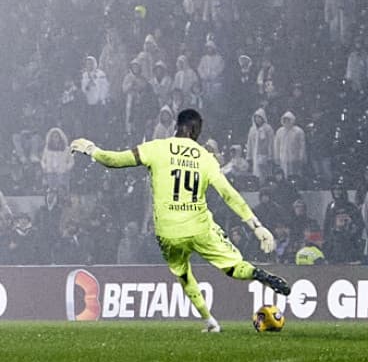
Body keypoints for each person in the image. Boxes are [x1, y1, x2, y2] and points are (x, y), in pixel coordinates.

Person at [71, 108, 292, 332]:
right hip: (199, 226)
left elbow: (114, 160)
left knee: (184, 274)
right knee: (234, 267)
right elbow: (229, 194)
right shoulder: (206, 158)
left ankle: (210, 321)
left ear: (177, 126)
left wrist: (92, 149)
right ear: (195, 129)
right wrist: (256, 226)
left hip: (168, 232)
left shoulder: (157, 148)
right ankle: (256, 274)